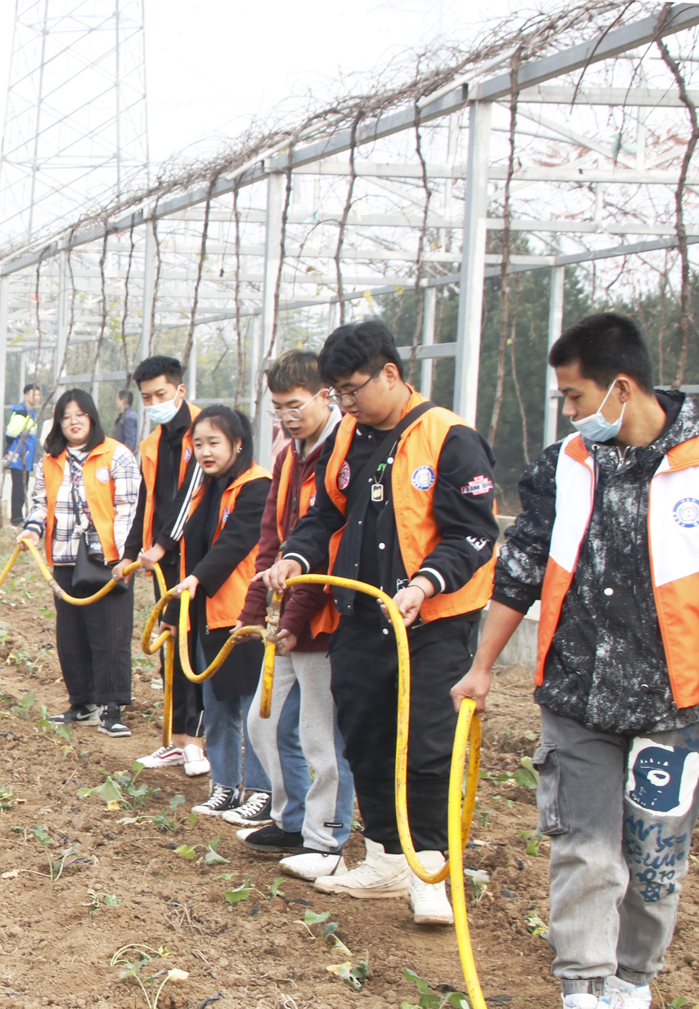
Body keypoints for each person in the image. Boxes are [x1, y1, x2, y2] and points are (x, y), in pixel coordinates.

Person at [452, 313, 697, 1009]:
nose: (568, 411)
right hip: (575, 694)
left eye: (573, 396)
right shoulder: (565, 464)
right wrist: (482, 666)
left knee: (654, 859)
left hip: (674, 703)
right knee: (586, 849)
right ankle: (583, 986)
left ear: (621, 387)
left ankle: (631, 981)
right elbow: (521, 568)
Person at [263, 320, 498, 927]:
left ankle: (430, 871)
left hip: (433, 623)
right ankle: (385, 858)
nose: (345, 404)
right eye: (337, 392)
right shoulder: (350, 438)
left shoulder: (449, 437)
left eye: (352, 390)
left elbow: (474, 533)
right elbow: (325, 516)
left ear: (390, 374)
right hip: (362, 617)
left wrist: (424, 583)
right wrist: (296, 557)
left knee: (425, 746)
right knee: (366, 738)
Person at [237, 350, 355, 877]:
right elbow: (273, 538)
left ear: (325, 396)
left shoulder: (345, 452)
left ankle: (327, 841)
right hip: (286, 617)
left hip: (324, 620)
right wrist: (255, 611)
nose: (287, 417)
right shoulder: (289, 456)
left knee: (319, 734)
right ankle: (290, 821)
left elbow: (328, 543)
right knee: (263, 721)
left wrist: (293, 620)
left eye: (295, 405)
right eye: (278, 407)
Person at [161, 406, 272, 817]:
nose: (204, 452)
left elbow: (235, 543)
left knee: (254, 710)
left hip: (244, 614)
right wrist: (177, 611)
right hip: (205, 614)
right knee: (218, 707)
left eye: (214, 442)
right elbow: (191, 552)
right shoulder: (206, 489)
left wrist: (198, 580)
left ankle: (261, 791)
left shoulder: (257, 486)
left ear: (237, 444)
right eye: (198, 444)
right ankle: (224, 786)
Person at [17, 389, 140, 737]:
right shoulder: (50, 460)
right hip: (65, 559)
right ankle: (82, 703)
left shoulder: (116, 454)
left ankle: (111, 708)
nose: (73, 422)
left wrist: (123, 556)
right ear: (58, 422)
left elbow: (129, 508)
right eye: (66, 417)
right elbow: (40, 503)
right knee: (71, 636)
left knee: (110, 634)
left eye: (80, 415)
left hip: (108, 562)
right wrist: (32, 530)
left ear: (92, 417)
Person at [127, 356, 205, 772]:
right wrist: (130, 553)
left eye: (161, 394)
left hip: (201, 560)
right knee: (171, 642)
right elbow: (148, 502)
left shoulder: (206, 432)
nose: (155, 403)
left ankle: (198, 741)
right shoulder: (152, 444)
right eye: (147, 398)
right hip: (166, 564)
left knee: (196, 647)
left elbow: (193, 496)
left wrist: (161, 544)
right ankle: (177, 739)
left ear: (180, 390)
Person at [4, 383, 42, 526]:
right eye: (34, 394)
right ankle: (16, 519)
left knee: (23, 487)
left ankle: (19, 517)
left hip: (26, 458)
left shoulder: (31, 413)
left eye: (38, 395)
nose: (37, 397)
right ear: (26, 395)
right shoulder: (22, 413)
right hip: (19, 457)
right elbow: (10, 434)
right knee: (19, 488)